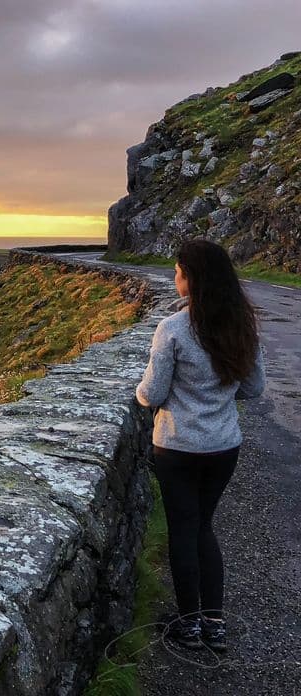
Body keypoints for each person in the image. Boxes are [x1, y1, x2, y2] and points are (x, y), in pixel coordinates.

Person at [135, 238, 266, 652]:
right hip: (223, 446)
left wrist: (141, 394)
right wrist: (218, 399)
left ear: (190, 278)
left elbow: (152, 394)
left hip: (177, 447)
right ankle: (215, 623)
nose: (174, 277)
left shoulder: (172, 329)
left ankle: (188, 624)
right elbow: (254, 388)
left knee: (182, 531)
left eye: (177, 270)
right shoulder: (242, 324)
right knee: (205, 528)